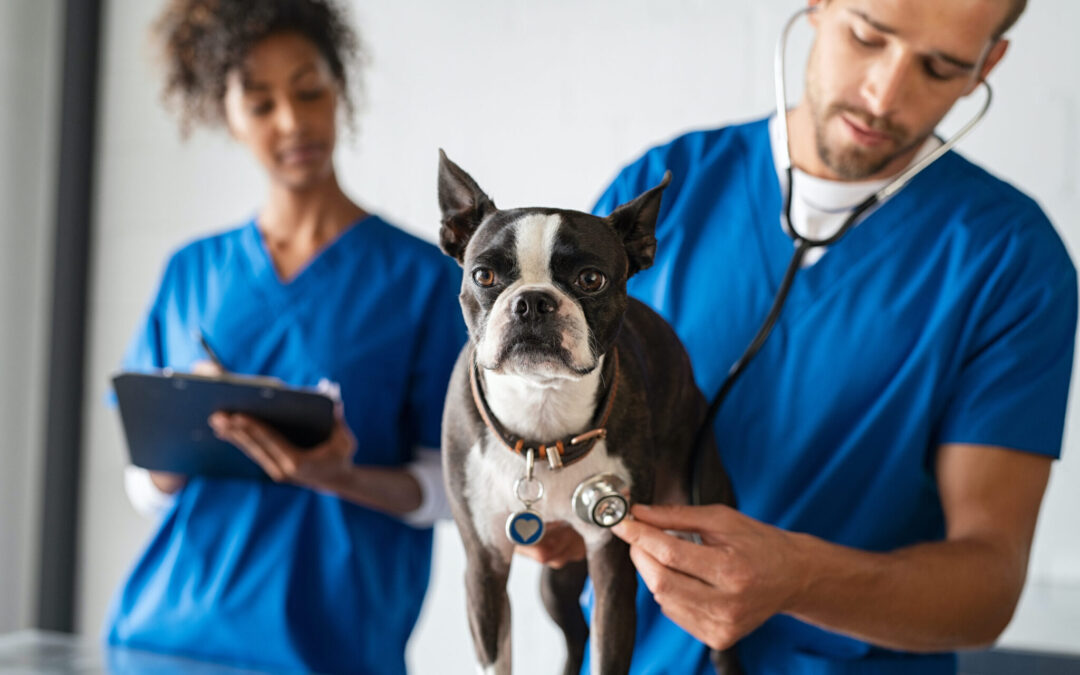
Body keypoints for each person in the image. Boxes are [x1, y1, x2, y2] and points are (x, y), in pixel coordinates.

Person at [529, 1, 1076, 673]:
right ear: (818, 6)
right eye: (868, 36)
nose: (883, 94)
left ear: (986, 66)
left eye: (939, 67)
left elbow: (988, 584)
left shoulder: (1011, 261)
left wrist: (802, 579)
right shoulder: (661, 190)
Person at [104, 1, 465, 673]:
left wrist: (339, 476)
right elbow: (146, 486)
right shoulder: (192, 272)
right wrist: (187, 431)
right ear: (226, 112)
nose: (293, 121)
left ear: (340, 89)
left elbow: (452, 488)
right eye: (261, 102)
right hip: (159, 637)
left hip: (330, 647)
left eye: (308, 90)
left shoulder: (421, 281)